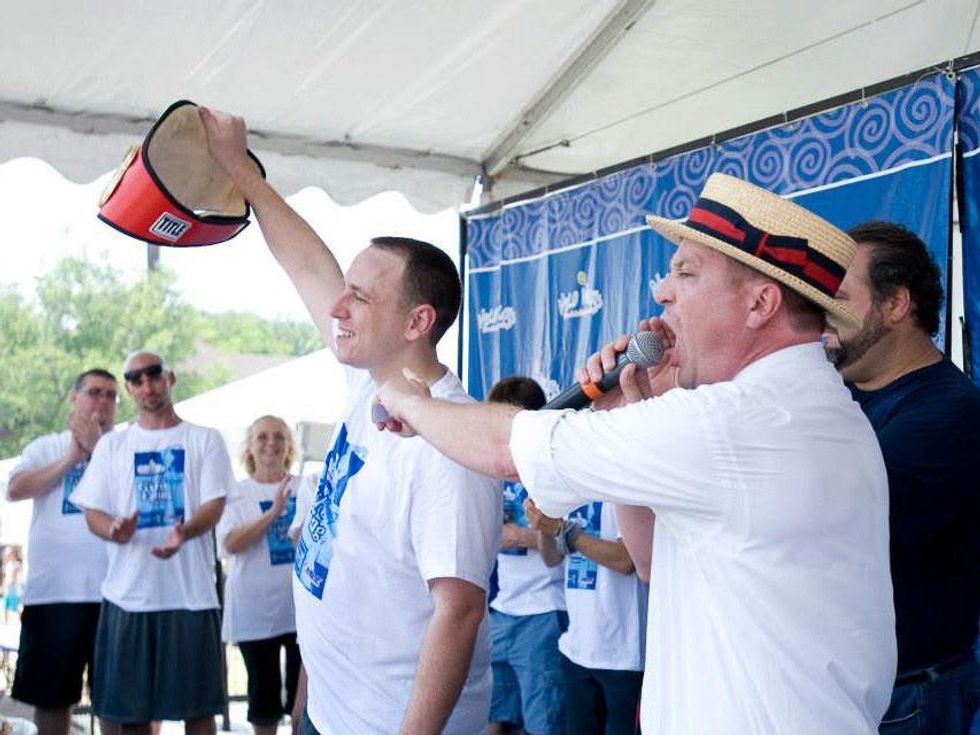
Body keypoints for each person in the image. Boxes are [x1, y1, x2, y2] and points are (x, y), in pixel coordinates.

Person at [374, 173, 898, 733]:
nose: (662, 292)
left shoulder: (736, 419)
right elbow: (651, 564)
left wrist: (409, 399)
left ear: (760, 303)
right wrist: (629, 410)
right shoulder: (805, 406)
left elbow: (508, 448)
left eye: (686, 273)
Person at [200, 107, 501, 735]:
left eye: (360, 296)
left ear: (417, 322)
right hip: (332, 709)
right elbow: (309, 266)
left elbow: (460, 613)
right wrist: (240, 170)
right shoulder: (370, 382)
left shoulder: (449, 440)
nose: (338, 305)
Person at [823, 221, 980, 734]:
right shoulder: (837, 397)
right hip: (856, 689)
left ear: (896, 304)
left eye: (837, 300)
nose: (821, 318)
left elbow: (829, 522)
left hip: (908, 699)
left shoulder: (949, 412)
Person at [70, 351, 232, 735]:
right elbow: (93, 512)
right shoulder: (112, 446)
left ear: (170, 378)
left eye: (154, 375)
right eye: (136, 379)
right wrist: (114, 530)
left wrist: (185, 532)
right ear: (128, 389)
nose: (147, 385)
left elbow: (214, 504)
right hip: (128, 596)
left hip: (191, 596)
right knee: (130, 715)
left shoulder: (205, 439)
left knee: (199, 712)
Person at [6, 368, 118, 735]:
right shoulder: (46, 446)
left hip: (115, 592)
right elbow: (16, 488)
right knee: (51, 699)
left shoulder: (124, 447)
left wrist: (97, 450)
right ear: (75, 397)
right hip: (53, 592)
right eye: (94, 392)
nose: (103, 401)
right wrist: (70, 458)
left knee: (118, 701)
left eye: (111, 395)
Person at [484, 377, 566, 735]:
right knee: (493, 716)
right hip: (503, 610)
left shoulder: (552, 471)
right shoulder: (494, 470)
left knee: (542, 722)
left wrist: (524, 536)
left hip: (542, 612)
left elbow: (567, 546)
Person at [525, 499, 646, 735]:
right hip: (576, 648)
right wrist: (543, 523)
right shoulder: (570, 494)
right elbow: (551, 559)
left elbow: (627, 560)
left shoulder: (623, 491)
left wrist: (563, 530)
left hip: (623, 655)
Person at [217, 416, 302, 735]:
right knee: (263, 698)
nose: (271, 443)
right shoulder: (237, 494)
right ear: (250, 446)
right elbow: (230, 544)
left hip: (299, 611)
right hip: (254, 611)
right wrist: (273, 513)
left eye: (279, 436)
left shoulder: (305, 487)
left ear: (289, 445)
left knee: (303, 700)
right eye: (262, 437)